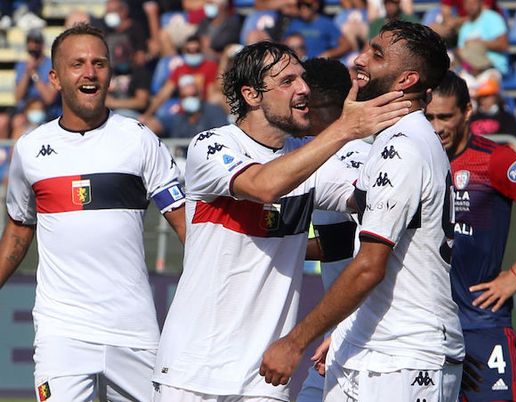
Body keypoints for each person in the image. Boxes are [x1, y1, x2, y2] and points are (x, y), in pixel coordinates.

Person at [151, 41, 410, 401]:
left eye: (302, 79)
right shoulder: (212, 144)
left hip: (266, 377)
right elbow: (264, 186)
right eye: (287, 81)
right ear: (251, 95)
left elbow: (370, 201)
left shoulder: (309, 159)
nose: (303, 88)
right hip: (193, 371)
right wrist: (345, 129)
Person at [260, 21, 466, 402]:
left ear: (406, 79)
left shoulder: (405, 146)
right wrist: (347, 330)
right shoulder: (388, 141)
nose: (359, 59)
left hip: (405, 357)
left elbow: (370, 266)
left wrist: (295, 342)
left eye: (377, 54)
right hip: (368, 347)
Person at [0, 23, 186, 401]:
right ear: (55, 78)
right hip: (62, 332)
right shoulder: (31, 149)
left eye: (99, 63)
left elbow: (188, 227)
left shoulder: (139, 139)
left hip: (135, 331)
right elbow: (20, 230)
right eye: (78, 64)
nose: (90, 72)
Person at [426, 71, 516, 402]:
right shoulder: (417, 160)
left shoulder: (495, 159)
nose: (436, 127)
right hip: (425, 327)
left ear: (466, 112)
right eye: (430, 117)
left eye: (445, 116)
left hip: (481, 322)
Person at [296, 57, 372, 402]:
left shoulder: (345, 158)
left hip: (362, 334)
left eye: (302, 101)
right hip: (344, 332)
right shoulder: (353, 153)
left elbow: (350, 249)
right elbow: (338, 244)